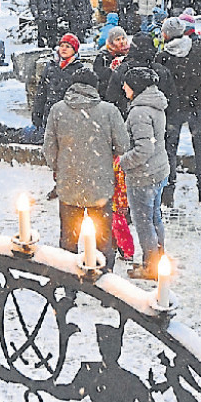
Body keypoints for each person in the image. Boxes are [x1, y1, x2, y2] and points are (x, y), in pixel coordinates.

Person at [42, 57, 130, 273]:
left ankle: (69, 283)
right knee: (103, 240)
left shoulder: (58, 110)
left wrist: (61, 168)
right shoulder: (109, 111)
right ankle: (104, 280)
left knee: (69, 239)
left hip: (69, 185)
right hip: (100, 186)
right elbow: (123, 146)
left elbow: (48, 149)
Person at [156, 17, 201, 206]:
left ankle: (168, 192)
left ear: (165, 34)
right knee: (200, 146)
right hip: (198, 104)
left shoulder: (163, 56)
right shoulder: (199, 48)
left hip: (174, 108)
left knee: (169, 150)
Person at [118, 66, 169, 279]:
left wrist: (123, 162)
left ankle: (150, 266)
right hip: (159, 170)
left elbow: (143, 149)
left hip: (143, 176)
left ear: (135, 87)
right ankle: (158, 258)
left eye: (126, 84)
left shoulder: (139, 112)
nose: (123, 87)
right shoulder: (155, 104)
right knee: (155, 217)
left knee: (143, 221)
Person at [30, 33, 96, 140]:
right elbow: (41, 92)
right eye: (62, 45)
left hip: (67, 116)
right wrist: (37, 113)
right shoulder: (51, 66)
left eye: (68, 46)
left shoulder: (79, 69)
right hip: (49, 113)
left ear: (74, 50)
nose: (64, 49)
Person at [93, 26, 131, 117]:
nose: (121, 42)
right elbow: (100, 76)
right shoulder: (103, 57)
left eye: (123, 38)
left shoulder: (130, 56)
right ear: (111, 43)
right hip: (108, 99)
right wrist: (113, 69)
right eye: (117, 39)